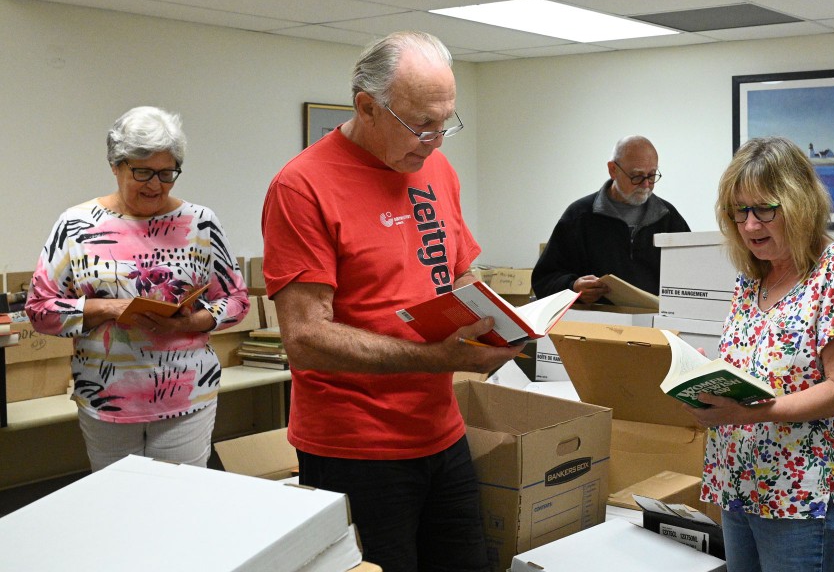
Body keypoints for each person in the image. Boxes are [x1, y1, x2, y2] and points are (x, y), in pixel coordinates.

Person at [261, 31, 522, 572]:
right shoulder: (302, 186)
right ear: (366, 106)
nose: (436, 140)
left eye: (445, 122)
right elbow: (305, 339)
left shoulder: (436, 169)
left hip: (440, 431)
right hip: (354, 449)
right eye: (421, 125)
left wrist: (498, 321)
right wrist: (440, 358)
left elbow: (459, 269)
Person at [26, 106, 250, 471]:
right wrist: (109, 309)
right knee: (119, 505)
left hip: (187, 394)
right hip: (106, 396)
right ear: (116, 165)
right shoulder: (76, 225)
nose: (155, 185)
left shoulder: (200, 223)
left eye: (166, 173)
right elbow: (40, 310)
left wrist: (191, 323)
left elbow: (236, 300)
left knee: (178, 503)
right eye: (142, 171)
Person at [689, 136, 834, 572]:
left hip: (800, 494)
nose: (751, 225)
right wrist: (702, 384)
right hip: (736, 480)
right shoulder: (750, 280)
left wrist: (748, 414)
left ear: (799, 203)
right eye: (740, 212)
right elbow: (750, 370)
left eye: (764, 210)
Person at [531, 135, 689, 304]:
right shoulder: (580, 216)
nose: (646, 185)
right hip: (595, 323)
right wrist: (573, 287)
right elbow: (544, 280)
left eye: (651, 176)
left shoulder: (668, 217)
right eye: (636, 176)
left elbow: (693, 276)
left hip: (654, 324)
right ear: (613, 170)